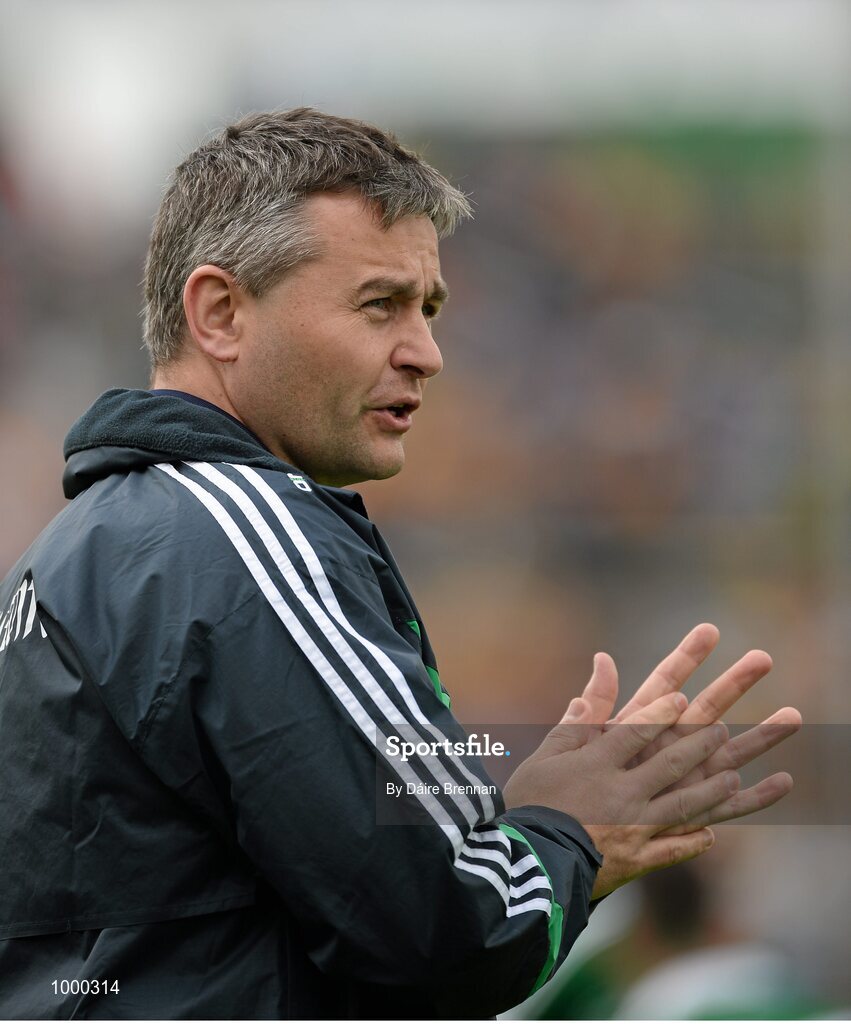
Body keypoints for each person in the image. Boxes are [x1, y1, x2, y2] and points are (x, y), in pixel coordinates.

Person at [0, 109, 801, 1020]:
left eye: (428, 308)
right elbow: (441, 932)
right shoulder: (246, 533)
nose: (425, 351)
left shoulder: (68, 553)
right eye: (379, 304)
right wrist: (570, 833)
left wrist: (515, 813)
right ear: (219, 313)